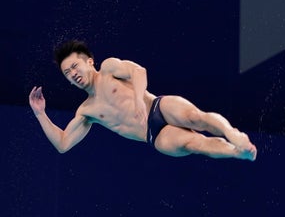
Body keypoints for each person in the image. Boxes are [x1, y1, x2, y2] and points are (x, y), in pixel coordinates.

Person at [29, 39, 257, 161]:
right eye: (67, 74)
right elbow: (63, 144)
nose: (73, 74)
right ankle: (238, 152)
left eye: (74, 67)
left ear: (89, 61)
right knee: (194, 144)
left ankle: (233, 134)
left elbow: (139, 72)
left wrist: (139, 99)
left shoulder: (109, 68)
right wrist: (40, 113)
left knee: (196, 118)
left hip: (158, 106)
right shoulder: (86, 111)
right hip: (154, 135)